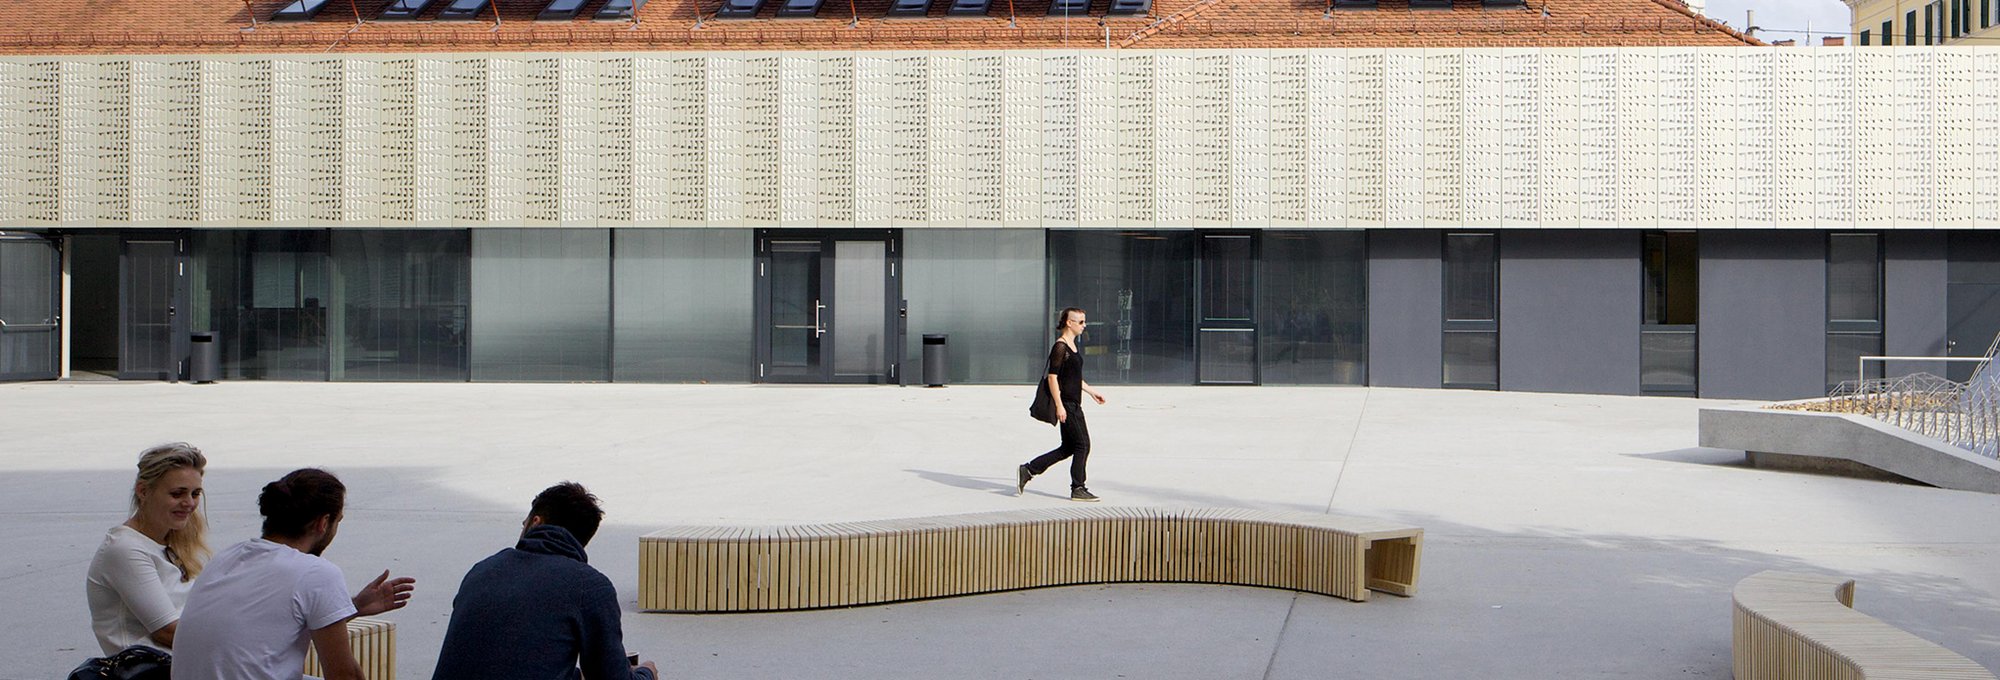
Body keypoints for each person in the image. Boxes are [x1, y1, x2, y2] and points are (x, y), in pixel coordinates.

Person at [171, 469, 415, 680]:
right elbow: (344, 675)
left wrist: (353, 608)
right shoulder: (316, 573)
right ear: (323, 523)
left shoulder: (226, 558)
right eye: (337, 521)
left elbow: (271, 627)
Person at [430, 482, 658, 680]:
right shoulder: (588, 586)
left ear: (536, 522)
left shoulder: (481, 571)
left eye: (523, 523)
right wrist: (647, 673)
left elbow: (501, 660)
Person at [86, 443, 211, 656]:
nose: (189, 503)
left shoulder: (173, 539)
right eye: (177, 494)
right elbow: (166, 632)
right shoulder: (125, 550)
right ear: (143, 491)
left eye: (195, 493)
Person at [1018, 307, 1108, 502]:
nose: (1084, 325)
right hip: (1067, 404)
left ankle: (1029, 469)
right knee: (1083, 445)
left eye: (1084, 321)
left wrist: (1092, 392)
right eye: (1081, 322)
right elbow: (1052, 378)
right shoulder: (1060, 347)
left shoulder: (1073, 346)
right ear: (1069, 323)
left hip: (1073, 401)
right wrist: (1059, 405)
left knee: (1068, 447)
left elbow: (1073, 378)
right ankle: (1078, 488)